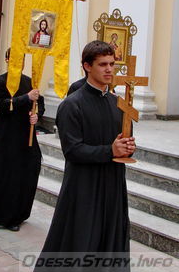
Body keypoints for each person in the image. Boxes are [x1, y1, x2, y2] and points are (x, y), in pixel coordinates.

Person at [35, 41, 135, 271]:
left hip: (112, 182)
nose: (109, 69)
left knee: (111, 239)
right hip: (84, 186)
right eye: (103, 64)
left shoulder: (118, 104)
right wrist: (110, 150)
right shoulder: (72, 105)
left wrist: (127, 146)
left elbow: (122, 139)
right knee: (81, 241)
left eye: (112, 64)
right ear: (87, 66)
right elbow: (72, 150)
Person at [0, 48, 45, 231]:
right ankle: (5, 216)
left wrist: (36, 116)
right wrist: (26, 97)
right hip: (8, 136)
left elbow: (40, 104)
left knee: (30, 169)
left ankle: (21, 212)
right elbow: (3, 105)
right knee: (9, 174)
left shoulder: (30, 82)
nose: (17, 63)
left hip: (26, 134)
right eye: (13, 58)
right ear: (7, 59)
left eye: (21, 60)